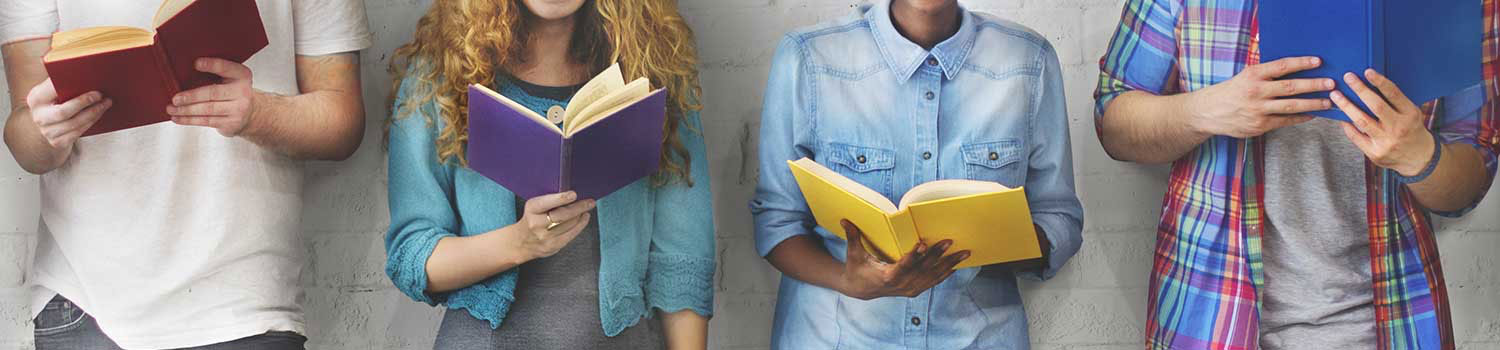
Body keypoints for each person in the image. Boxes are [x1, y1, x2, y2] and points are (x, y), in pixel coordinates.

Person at [1094, 1, 1500, 348]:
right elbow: (1114, 125)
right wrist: (1206, 111)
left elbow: (1470, 181)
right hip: (1210, 316)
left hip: (1388, 321)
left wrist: (1419, 157)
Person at [0, 0, 371, 349]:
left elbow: (342, 121)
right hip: (86, 302)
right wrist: (44, 129)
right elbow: (24, 138)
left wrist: (258, 114)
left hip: (246, 303)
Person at [749, 0, 1084, 348]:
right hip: (836, 337)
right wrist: (848, 280)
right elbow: (776, 222)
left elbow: (1060, 217)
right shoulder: (808, 58)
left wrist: (996, 242)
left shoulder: (1029, 61)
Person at [381, 0, 715, 349]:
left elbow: (683, 265)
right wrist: (519, 242)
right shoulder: (440, 75)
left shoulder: (655, 71)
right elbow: (411, 255)